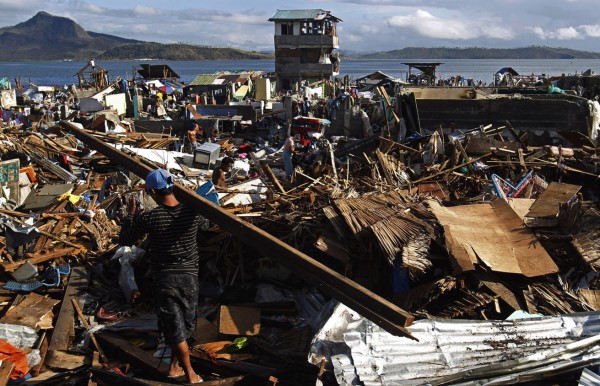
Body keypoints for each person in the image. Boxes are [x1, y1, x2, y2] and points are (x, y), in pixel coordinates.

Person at [119, 169, 208, 384]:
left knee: (174, 328)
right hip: (190, 277)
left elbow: (125, 239)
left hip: (166, 279)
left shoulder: (150, 217)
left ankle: (190, 375)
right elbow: (205, 226)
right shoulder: (192, 212)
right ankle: (174, 368)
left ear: (151, 191)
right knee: (183, 325)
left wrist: (131, 215)